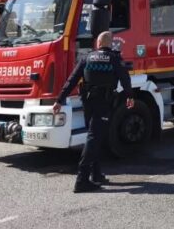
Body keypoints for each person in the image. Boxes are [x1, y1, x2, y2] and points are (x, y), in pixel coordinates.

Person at [53, 31, 134, 193]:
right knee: (94, 137)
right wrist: (129, 96)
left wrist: (59, 100)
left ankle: (96, 175)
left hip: (88, 102)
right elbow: (125, 79)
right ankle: (82, 180)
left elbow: (72, 79)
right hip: (103, 102)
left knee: (94, 136)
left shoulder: (87, 58)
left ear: (98, 44)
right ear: (111, 43)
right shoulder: (114, 59)